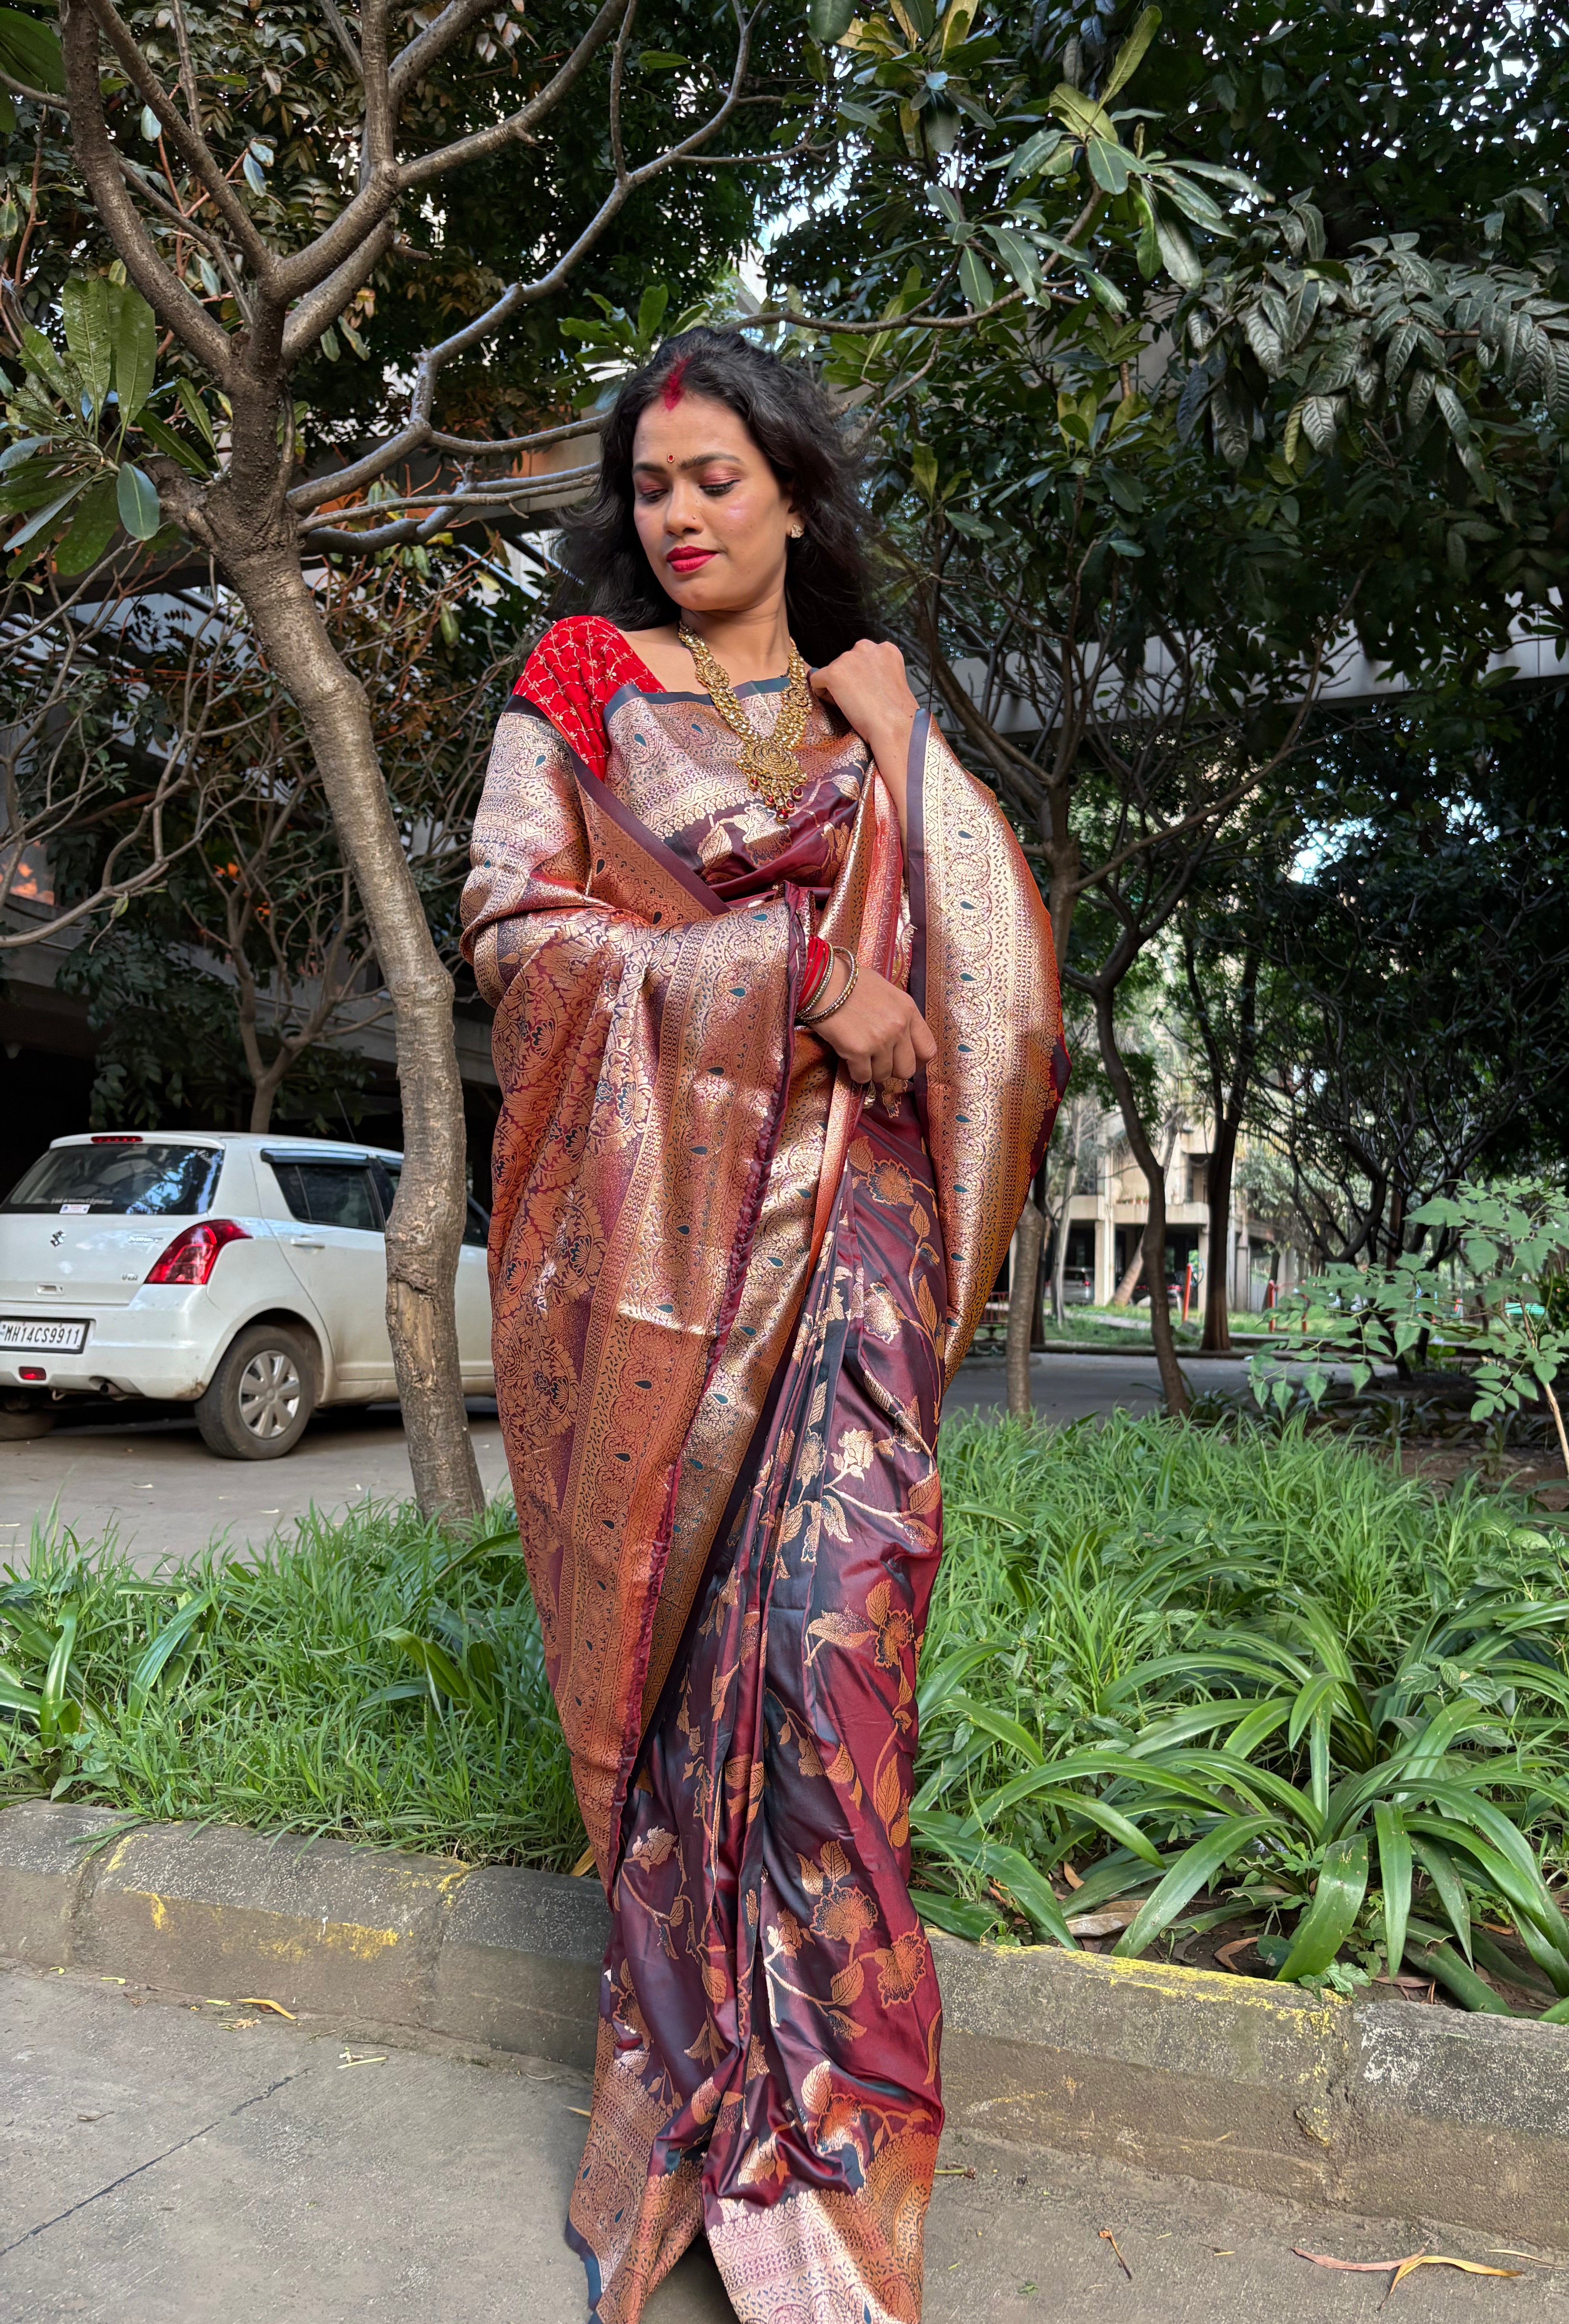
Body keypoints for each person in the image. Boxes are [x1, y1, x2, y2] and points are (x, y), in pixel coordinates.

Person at [461, 326, 1064, 2324]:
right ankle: (698, 2108)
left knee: (830, 1650)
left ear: (795, 491)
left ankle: (826, 2157)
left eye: (717, 478)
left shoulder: (866, 702)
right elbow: (519, 938)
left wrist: (903, 748)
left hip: (856, 1242)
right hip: (666, 1263)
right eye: (652, 487)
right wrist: (793, 976)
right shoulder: (577, 687)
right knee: (700, 1658)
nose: (682, 516)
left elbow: (992, 973)